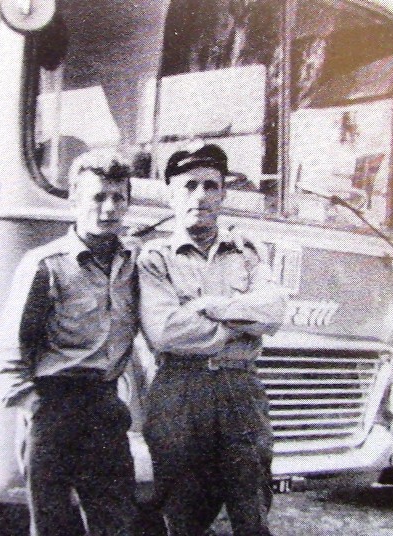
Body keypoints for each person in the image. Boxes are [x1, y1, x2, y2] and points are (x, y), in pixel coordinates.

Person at [138, 143, 287, 536]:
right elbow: (166, 331)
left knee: (251, 511)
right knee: (182, 517)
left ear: (223, 193)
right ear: (170, 193)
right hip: (179, 392)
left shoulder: (246, 251)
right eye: (188, 186)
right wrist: (240, 323)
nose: (200, 196)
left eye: (210, 185)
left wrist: (213, 306)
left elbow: (274, 310)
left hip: (240, 391)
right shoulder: (155, 258)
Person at [0, 149, 139, 536]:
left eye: (118, 198)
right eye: (98, 197)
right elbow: (11, 350)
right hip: (53, 407)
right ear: (75, 200)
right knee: (53, 526)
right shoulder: (45, 264)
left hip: (105, 407)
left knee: (117, 523)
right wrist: (34, 407)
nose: (109, 208)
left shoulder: (135, 262)